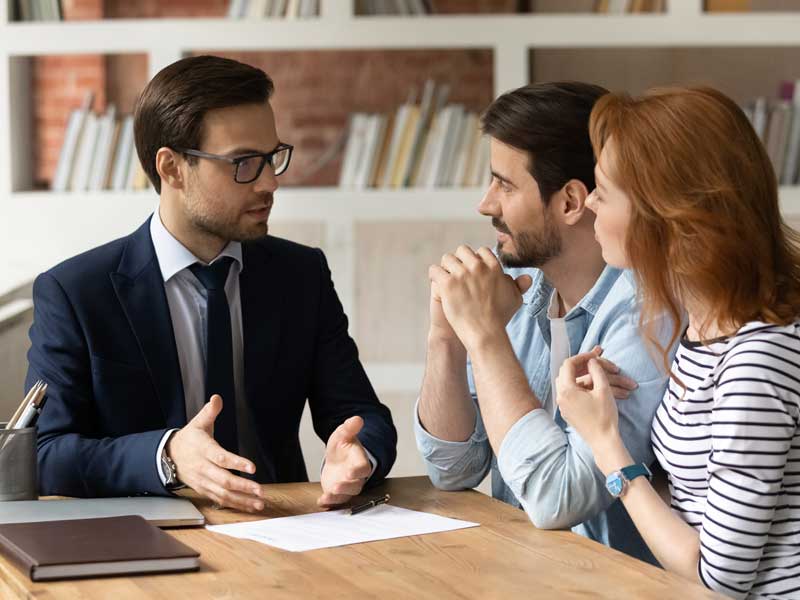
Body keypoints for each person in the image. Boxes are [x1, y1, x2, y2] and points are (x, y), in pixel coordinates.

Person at [26, 55, 397, 512]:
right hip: (146, 539)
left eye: (271, 158)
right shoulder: (76, 292)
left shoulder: (301, 275)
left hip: (285, 528)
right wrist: (167, 456)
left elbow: (361, 413)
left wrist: (360, 454)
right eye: (243, 163)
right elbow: (45, 455)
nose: (268, 184)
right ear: (172, 168)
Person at [557, 85, 800, 598]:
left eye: (604, 189)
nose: (590, 204)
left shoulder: (758, 357)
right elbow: (698, 504)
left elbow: (721, 577)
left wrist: (606, 446)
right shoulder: (704, 328)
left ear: (668, 218)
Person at [415, 81, 674, 562]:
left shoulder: (647, 312)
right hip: (523, 575)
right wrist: (446, 338)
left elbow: (560, 498)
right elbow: (453, 468)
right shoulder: (516, 283)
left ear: (572, 201)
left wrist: (486, 338)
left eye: (504, 184)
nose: (486, 204)